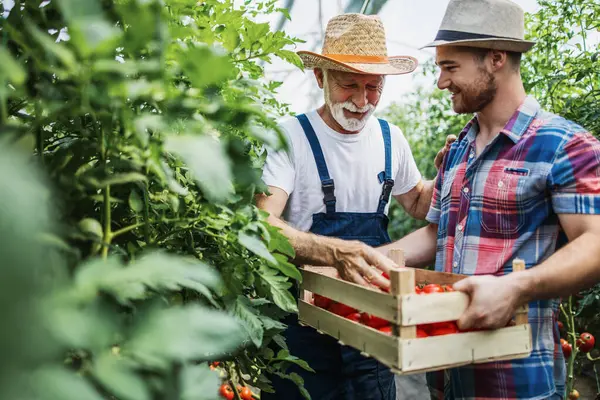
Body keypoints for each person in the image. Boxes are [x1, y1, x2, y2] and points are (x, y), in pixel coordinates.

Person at [379, 0, 600, 399]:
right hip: (447, 369)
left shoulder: (564, 146)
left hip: (516, 377)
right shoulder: (459, 148)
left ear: (495, 59)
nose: (441, 83)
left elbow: (596, 244)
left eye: (450, 68)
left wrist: (518, 287)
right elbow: (437, 232)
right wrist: (375, 259)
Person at [256, 13, 452, 400]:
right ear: (321, 78)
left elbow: (416, 202)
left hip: (371, 325)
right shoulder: (291, 137)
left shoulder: (389, 136)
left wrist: (447, 174)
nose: (363, 101)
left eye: (373, 87)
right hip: (302, 326)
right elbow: (262, 223)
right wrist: (337, 252)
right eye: (350, 85)